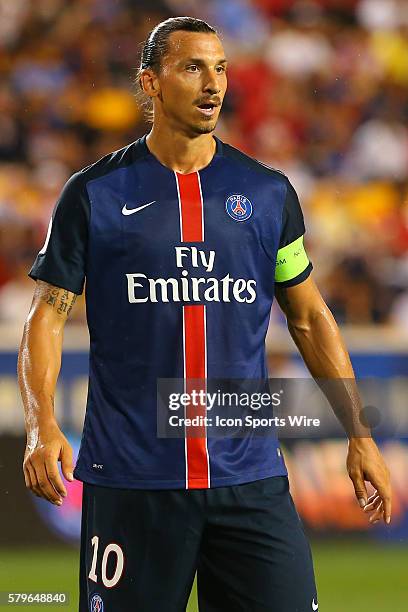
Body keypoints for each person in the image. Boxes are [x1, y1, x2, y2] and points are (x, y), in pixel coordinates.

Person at [18, 16, 391, 612]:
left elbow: (309, 317)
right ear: (151, 83)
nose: (213, 83)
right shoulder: (94, 194)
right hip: (132, 477)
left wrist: (360, 433)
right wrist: (41, 425)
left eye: (220, 68)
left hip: (248, 477)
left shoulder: (268, 195)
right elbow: (47, 314)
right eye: (192, 67)